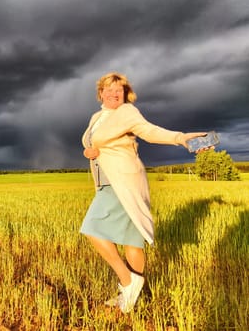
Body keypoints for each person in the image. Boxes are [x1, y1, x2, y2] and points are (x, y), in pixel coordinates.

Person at [80, 72, 205, 313]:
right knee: (131, 241)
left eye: (120, 90)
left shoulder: (127, 112)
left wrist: (181, 138)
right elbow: (94, 145)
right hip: (106, 181)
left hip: (123, 181)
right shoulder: (96, 116)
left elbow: (149, 131)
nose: (114, 93)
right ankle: (133, 296)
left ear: (126, 94)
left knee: (92, 229)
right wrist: (90, 152)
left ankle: (129, 282)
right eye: (109, 89)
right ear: (101, 93)